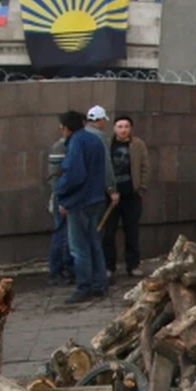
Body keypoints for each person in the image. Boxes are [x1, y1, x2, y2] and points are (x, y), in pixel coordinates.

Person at [54, 111, 108, 304]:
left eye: (61, 126)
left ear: (67, 127)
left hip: (79, 201)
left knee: (78, 246)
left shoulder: (76, 143)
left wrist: (61, 193)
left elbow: (74, 175)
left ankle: (84, 286)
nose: (60, 129)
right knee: (94, 242)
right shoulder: (94, 140)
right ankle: (99, 283)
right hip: (96, 198)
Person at [101, 115, 149, 279]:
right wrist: (108, 190)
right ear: (114, 128)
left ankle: (133, 264)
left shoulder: (138, 145)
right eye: (120, 126)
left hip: (131, 195)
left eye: (126, 126)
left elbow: (145, 166)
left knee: (132, 231)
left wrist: (141, 188)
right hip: (110, 196)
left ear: (131, 128)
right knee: (109, 232)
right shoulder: (107, 144)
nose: (123, 129)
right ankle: (109, 266)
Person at [46, 134, 73, 285]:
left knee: (67, 235)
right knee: (62, 234)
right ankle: (57, 269)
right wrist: (61, 198)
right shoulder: (61, 146)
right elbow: (54, 176)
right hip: (63, 196)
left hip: (69, 195)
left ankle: (66, 267)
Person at [85, 105, 119, 216]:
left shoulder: (79, 135)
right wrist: (111, 188)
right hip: (95, 189)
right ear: (100, 120)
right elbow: (105, 163)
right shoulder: (99, 137)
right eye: (104, 120)